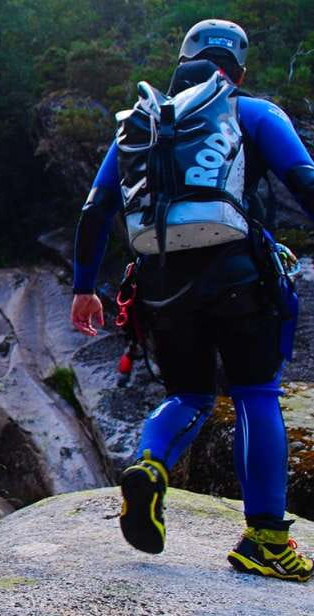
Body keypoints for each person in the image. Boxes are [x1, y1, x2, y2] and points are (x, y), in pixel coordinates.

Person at [71, 19, 314, 582]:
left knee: (189, 395)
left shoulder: (142, 123)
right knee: (256, 396)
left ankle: (152, 467)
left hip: (158, 284)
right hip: (236, 277)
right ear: (240, 69)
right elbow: (303, 180)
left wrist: (85, 287)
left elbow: (96, 209)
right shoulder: (250, 111)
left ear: (183, 60)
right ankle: (267, 541)